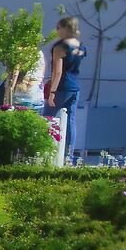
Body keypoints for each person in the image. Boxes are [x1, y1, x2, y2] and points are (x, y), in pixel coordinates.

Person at [44, 16, 86, 151]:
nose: (56, 31)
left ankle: (43, 150)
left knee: (47, 118)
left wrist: (52, 92)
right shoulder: (80, 46)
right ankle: (69, 154)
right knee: (70, 121)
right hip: (75, 87)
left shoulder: (60, 47)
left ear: (66, 28)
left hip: (62, 87)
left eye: (58, 28)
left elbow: (58, 71)